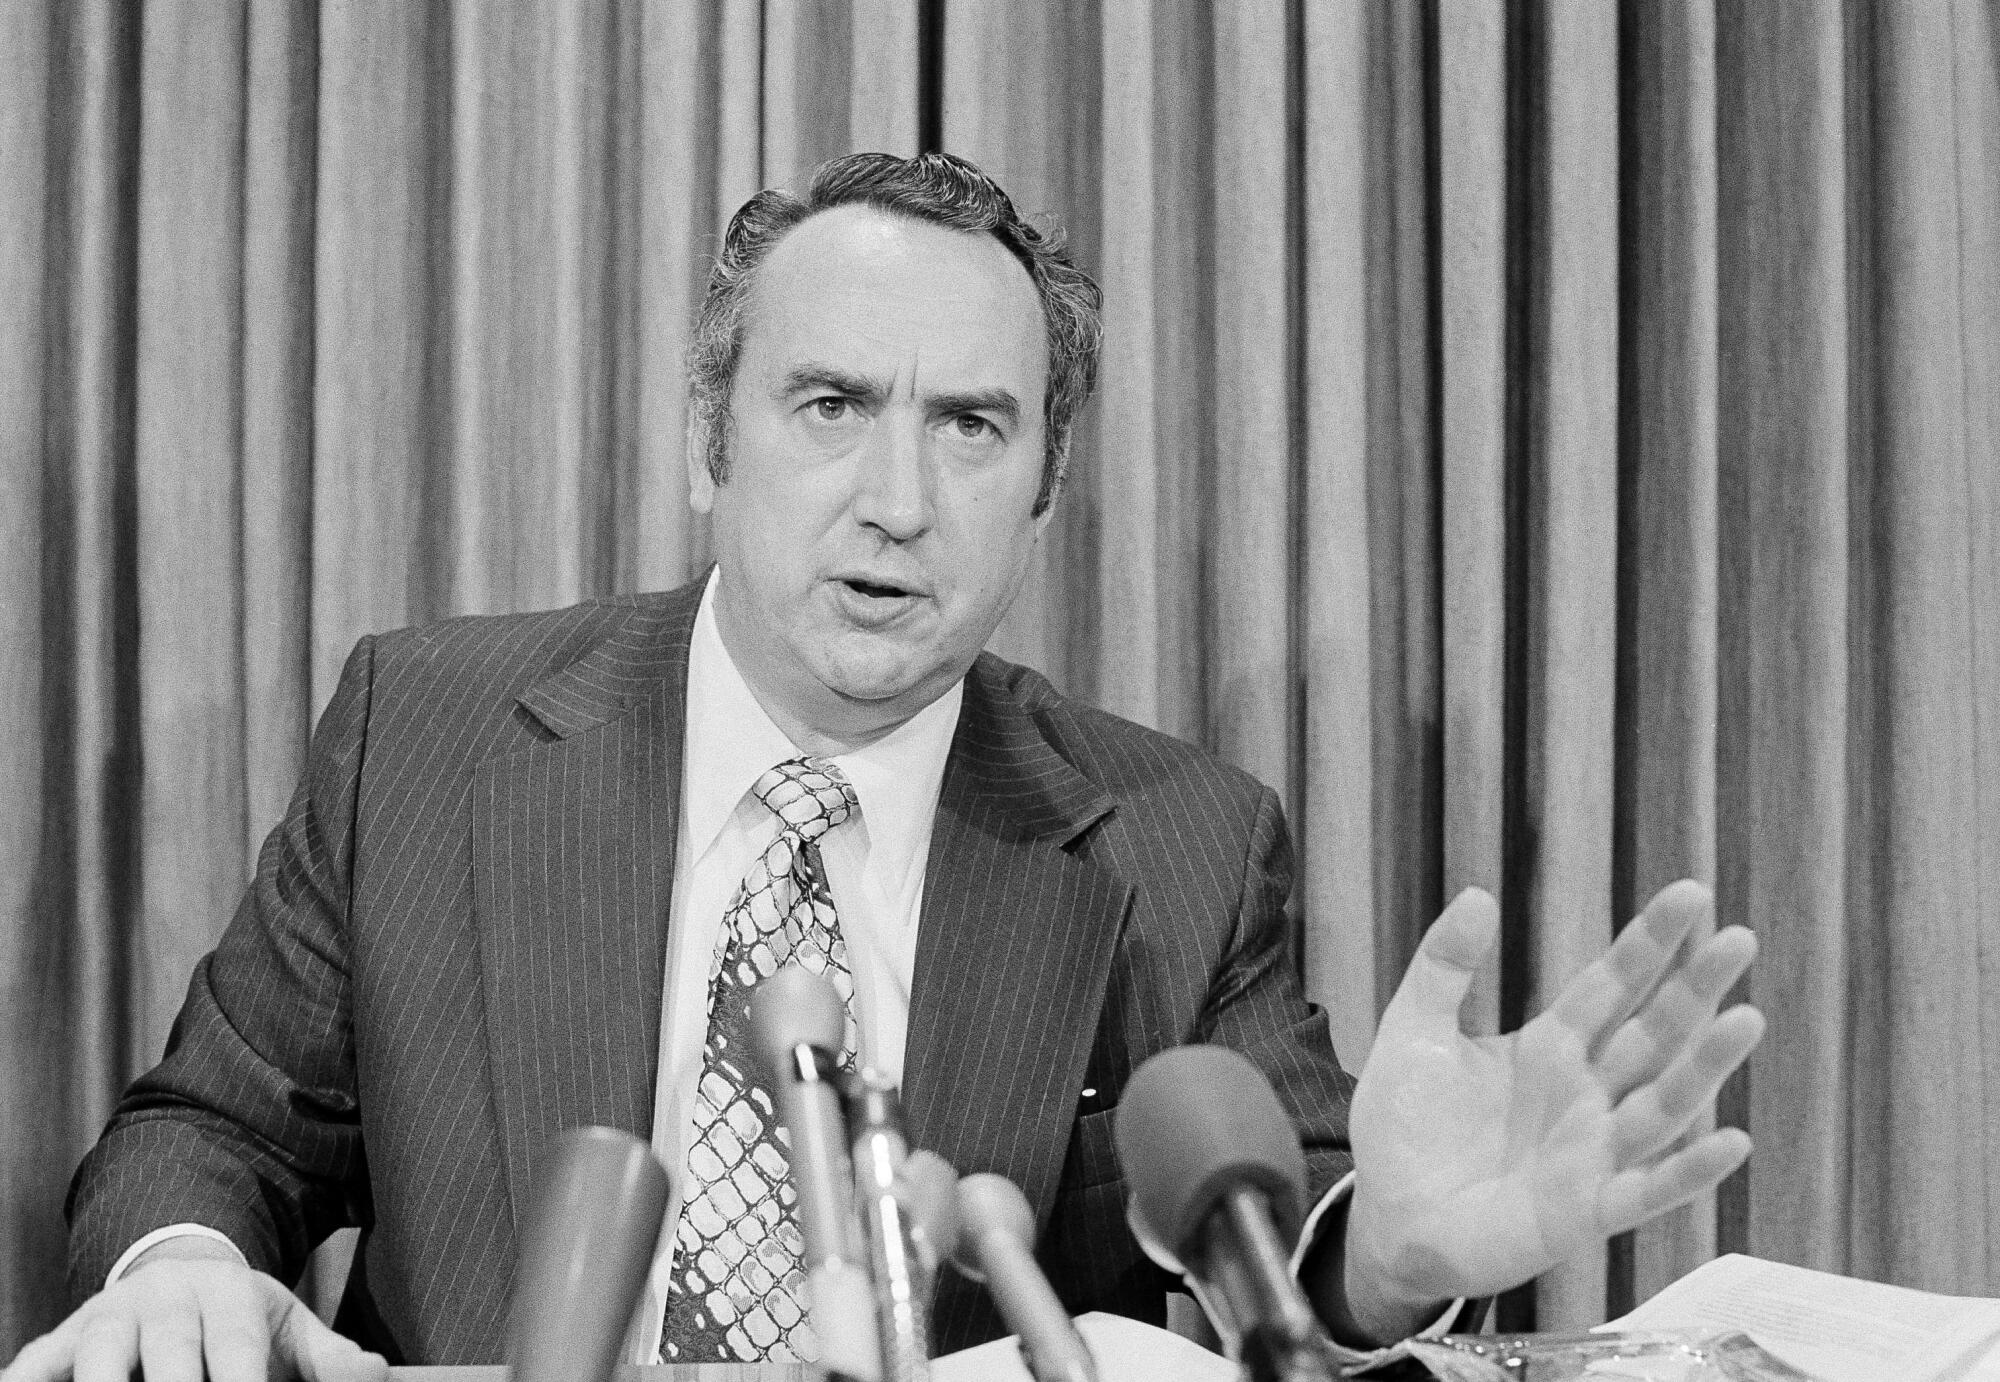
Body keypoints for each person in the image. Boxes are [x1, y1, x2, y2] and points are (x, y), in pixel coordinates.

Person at [3, 152, 1762, 1382]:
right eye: (833, 404)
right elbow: (204, 1135)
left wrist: (1383, 1260)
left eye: (972, 426)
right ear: (714, 434)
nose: (899, 502)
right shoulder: (430, 733)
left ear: (1045, 487)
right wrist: (189, 1271)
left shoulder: (1178, 843)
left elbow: (1275, 1266)